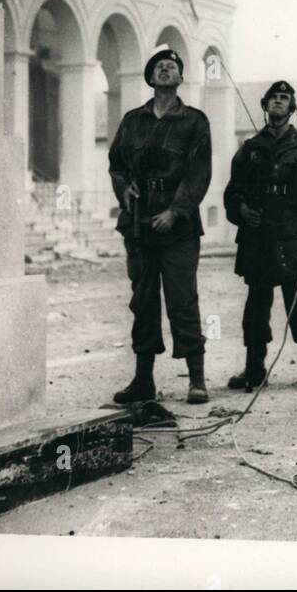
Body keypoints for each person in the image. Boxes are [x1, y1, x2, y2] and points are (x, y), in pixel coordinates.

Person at [108, 48, 212, 405]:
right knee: (143, 301)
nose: (165, 69)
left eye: (171, 66)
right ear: (150, 78)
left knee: (183, 300)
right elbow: (117, 165)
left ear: (181, 78)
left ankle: (196, 380)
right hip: (139, 224)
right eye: (158, 67)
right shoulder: (133, 120)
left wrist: (176, 211)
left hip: (178, 227)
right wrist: (124, 189)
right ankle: (143, 381)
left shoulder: (195, 121)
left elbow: (199, 173)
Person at [223, 80, 297, 391]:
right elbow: (232, 193)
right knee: (256, 306)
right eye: (274, 98)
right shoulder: (250, 149)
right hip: (258, 237)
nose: (279, 103)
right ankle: (254, 368)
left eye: (285, 99)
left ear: (292, 108)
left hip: (294, 236)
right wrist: (242, 210)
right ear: (265, 105)